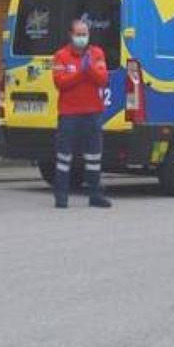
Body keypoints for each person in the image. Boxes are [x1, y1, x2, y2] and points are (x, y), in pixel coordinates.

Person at [51, 19, 112, 209]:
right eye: (78, 34)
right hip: (69, 114)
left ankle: (95, 195)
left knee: (94, 157)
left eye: (84, 34)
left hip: (93, 113)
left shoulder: (97, 53)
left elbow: (103, 79)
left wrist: (90, 69)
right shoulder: (60, 56)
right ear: (71, 35)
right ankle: (61, 196)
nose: (82, 38)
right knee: (64, 157)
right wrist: (81, 73)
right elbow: (60, 82)